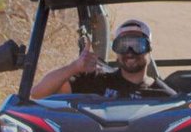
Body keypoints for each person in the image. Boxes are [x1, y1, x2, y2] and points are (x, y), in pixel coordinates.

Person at [33, 18, 170, 98]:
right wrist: (74, 67)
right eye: (122, 45)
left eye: (137, 45)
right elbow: (38, 93)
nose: (130, 52)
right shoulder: (96, 81)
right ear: (115, 51)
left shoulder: (163, 96)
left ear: (150, 49)